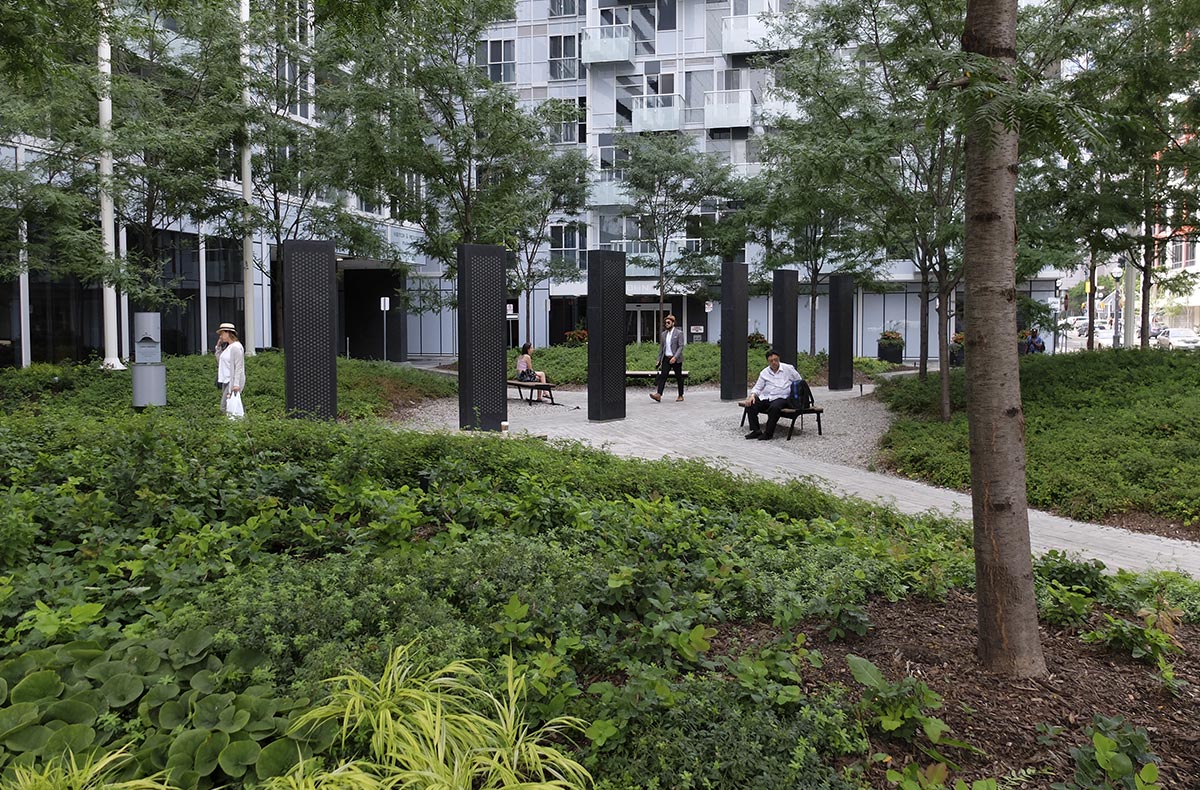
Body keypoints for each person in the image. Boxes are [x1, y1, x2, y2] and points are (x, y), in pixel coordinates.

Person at [740, 347, 803, 440]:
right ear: (768, 362)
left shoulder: (788, 369)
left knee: (774, 408)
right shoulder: (764, 372)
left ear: (779, 359)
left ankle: (768, 433)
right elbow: (758, 387)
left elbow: (799, 381)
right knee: (750, 404)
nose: (774, 362)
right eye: (771, 361)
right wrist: (752, 396)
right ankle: (756, 430)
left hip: (782, 397)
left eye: (775, 360)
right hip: (767, 397)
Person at [650, 313, 685, 402]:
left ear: (673, 323)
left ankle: (680, 395)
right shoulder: (663, 334)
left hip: (676, 359)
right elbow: (661, 347)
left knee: (679, 377)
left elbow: (681, 346)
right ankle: (658, 394)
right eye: (665, 323)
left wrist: (675, 357)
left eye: (668, 322)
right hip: (666, 358)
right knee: (663, 376)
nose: (666, 324)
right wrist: (659, 359)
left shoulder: (679, 333)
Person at [215, 322, 245, 413]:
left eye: (222, 333)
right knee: (228, 405)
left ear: (228, 333)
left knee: (225, 406)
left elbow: (239, 367)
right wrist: (218, 347)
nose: (220, 336)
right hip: (226, 380)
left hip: (232, 381)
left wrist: (236, 384)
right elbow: (220, 361)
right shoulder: (228, 347)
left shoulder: (236, 347)